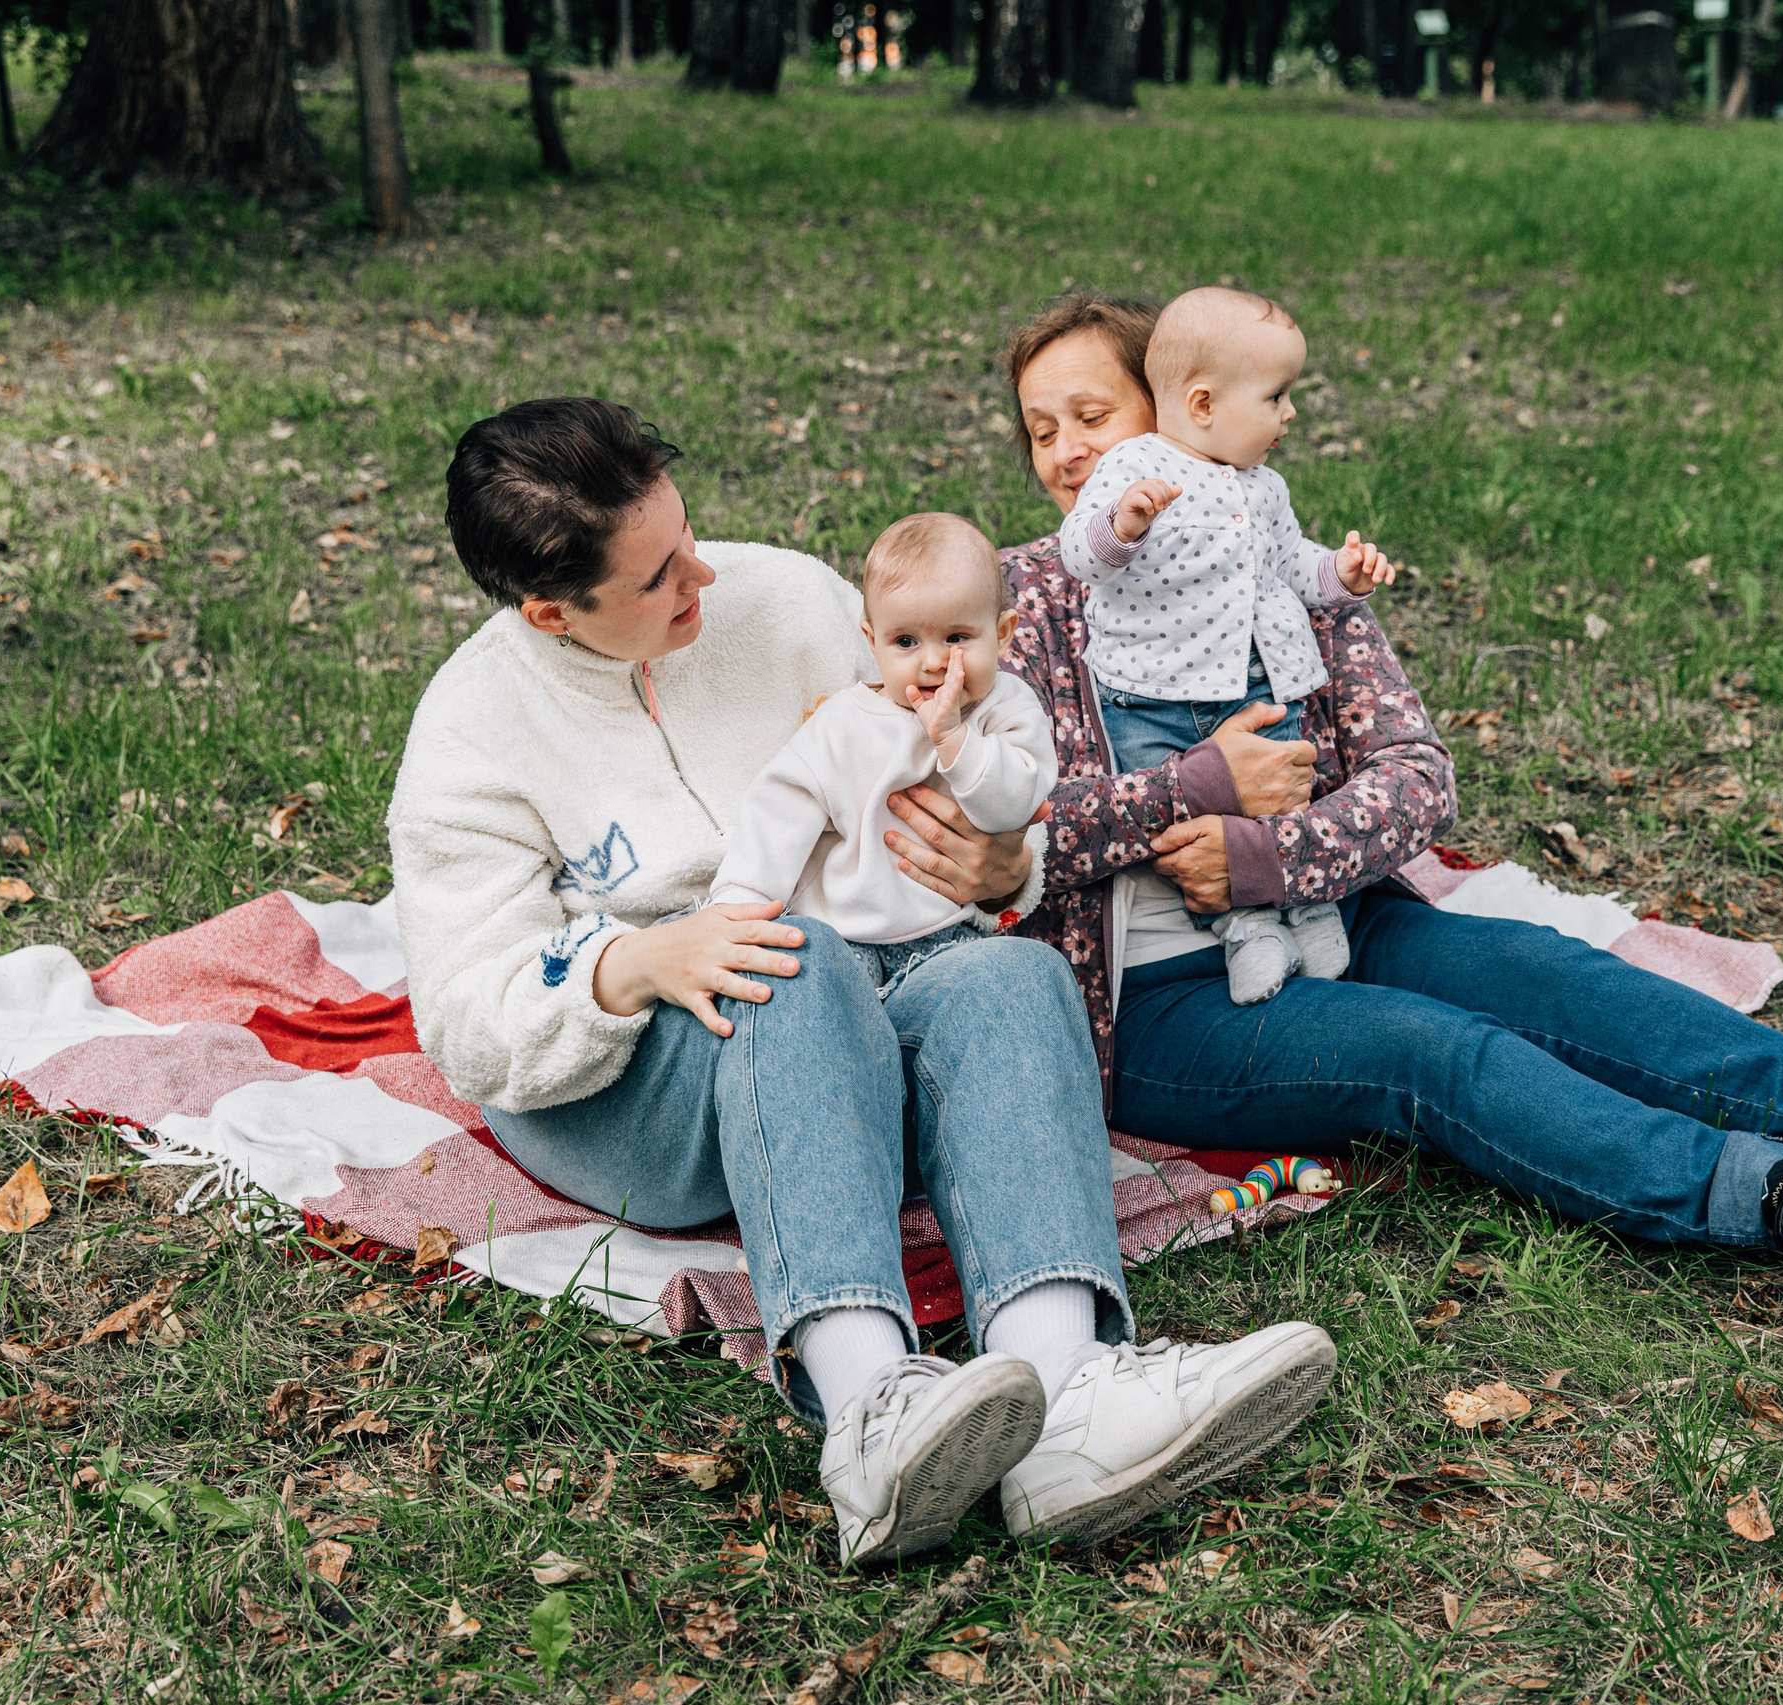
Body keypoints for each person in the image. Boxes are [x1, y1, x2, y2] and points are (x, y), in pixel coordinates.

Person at [386, 398, 1336, 1568]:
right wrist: (630, 962)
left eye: (686, 535)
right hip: (628, 1089)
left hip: (863, 995)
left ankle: (1072, 1399)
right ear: (549, 613)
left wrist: (1007, 867)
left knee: (1003, 974)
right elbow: (473, 1025)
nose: (701, 577)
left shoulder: (784, 599)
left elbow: (963, 753)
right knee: (794, 960)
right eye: (656, 579)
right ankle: (871, 1410)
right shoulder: (471, 731)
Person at [985, 291, 1783, 1317]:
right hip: (1162, 1008)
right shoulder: (1010, 604)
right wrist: (1189, 793)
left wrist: (1277, 855)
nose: (1070, 453)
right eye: (1041, 431)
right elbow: (993, 837)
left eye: (1093, 415)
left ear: (1182, 406)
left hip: (1339, 913)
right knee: (1433, 1052)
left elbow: (1416, 776)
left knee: (1546, 976)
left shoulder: (1288, 570)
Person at [1058, 287, 1396, 1004]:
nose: (1291, 412)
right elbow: (1081, 557)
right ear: (1204, 404)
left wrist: (1342, 572)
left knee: (1284, 795)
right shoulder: (1131, 468)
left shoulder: (1265, 487)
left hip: (1262, 683)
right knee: (1199, 830)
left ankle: (1307, 905)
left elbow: (1292, 564)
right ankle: (1246, 930)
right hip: (1149, 701)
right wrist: (1123, 524)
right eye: (1277, 397)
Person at [709, 512, 1054, 995]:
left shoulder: (1006, 707)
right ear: (873, 642)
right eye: (906, 642)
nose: (933, 662)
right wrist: (739, 904)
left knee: (999, 987)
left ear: (1002, 633)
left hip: (950, 930)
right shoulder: (843, 724)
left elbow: (1014, 805)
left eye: (957, 638)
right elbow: (780, 809)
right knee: (818, 995)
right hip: (842, 931)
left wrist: (955, 739)